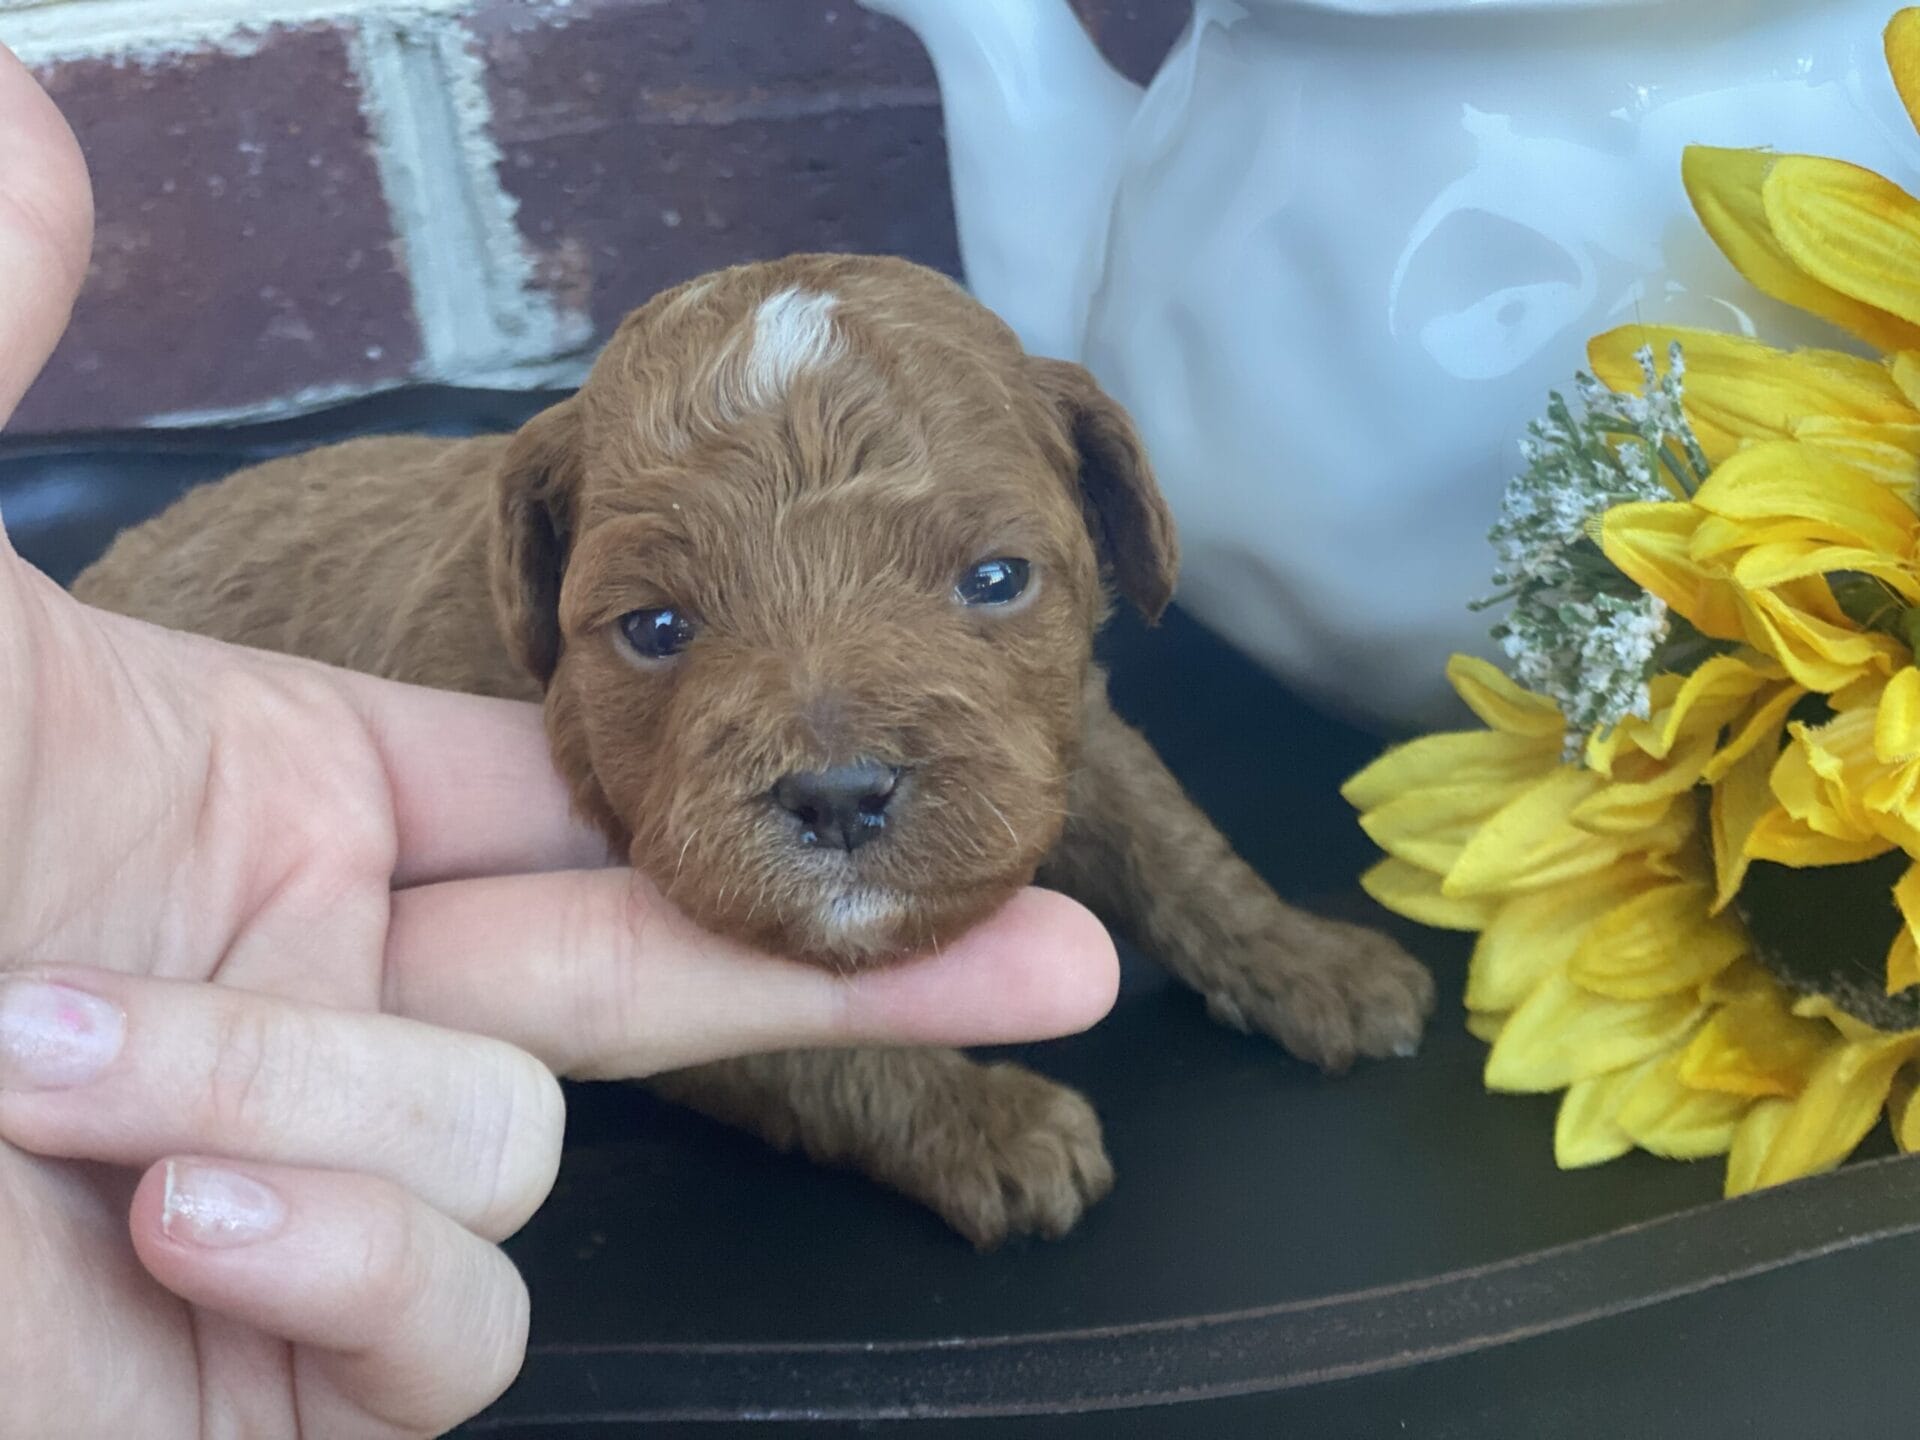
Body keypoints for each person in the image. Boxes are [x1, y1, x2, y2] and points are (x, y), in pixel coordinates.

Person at [0, 45, 1118, 1439]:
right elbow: (642, 966)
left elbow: (1099, 735)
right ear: (544, 592)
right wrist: (937, 1114)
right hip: (163, 739)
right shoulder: (472, 653)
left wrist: (1253, 935)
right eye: (659, 627)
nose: (833, 754)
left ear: (1110, 529)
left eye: (990, 585)